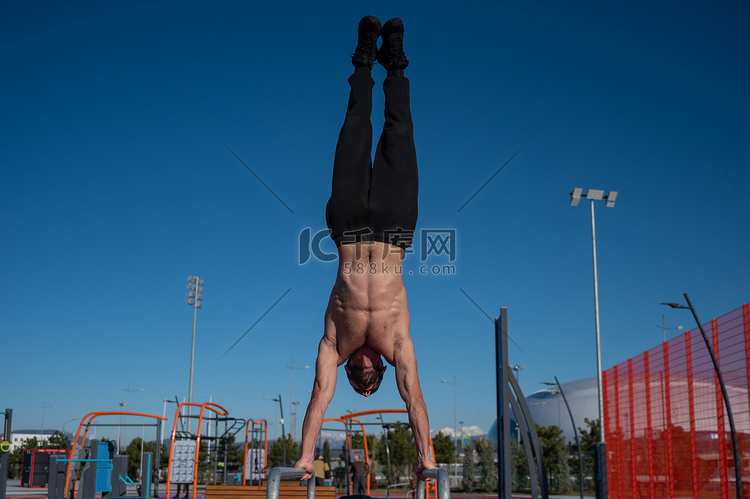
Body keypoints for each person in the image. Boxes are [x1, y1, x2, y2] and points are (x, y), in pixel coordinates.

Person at [294, 15, 436, 482]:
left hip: (350, 228)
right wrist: (427, 459)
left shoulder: (334, 346)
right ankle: (395, 60)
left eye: (361, 377)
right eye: (371, 376)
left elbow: (319, 399)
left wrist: (305, 456)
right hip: (396, 229)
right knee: (400, 133)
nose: (365, 369)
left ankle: (363, 57)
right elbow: (413, 399)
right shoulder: (398, 345)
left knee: (354, 130)